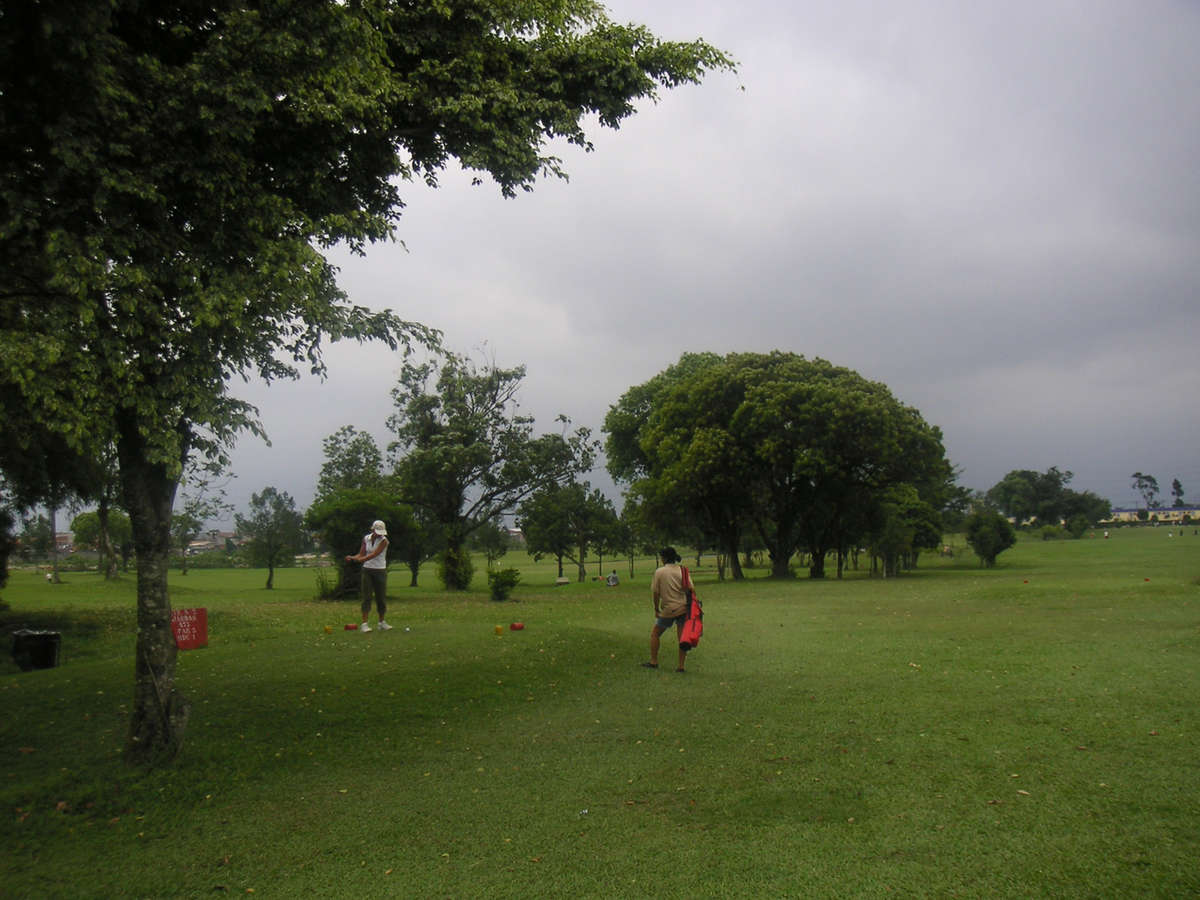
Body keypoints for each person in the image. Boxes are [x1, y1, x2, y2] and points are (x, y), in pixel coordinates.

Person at [642, 546, 690, 672]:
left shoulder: (660, 572)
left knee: (655, 634)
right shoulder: (683, 570)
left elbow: (656, 593)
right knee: (682, 638)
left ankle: (653, 661)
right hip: (684, 608)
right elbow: (691, 589)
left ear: (664, 558)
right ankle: (681, 666)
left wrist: (656, 609)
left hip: (668, 609)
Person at [345, 519, 391, 632]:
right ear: (372, 530)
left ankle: (381, 622)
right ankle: (364, 624)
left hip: (380, 570)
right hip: (367, 570)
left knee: (381, 598)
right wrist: (352, 557)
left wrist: (360, 560)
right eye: (377, 531)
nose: (378, 534)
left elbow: (374, 554)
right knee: (367, 597)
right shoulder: (366, 538)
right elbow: (361, 553)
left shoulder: (384, 541)